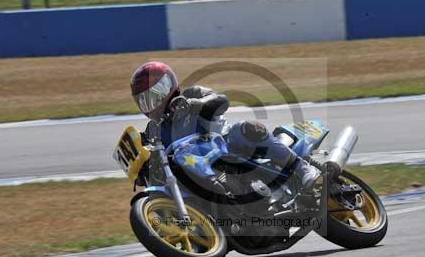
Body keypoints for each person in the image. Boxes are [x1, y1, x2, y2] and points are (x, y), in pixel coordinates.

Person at [130, 61, 320, 190]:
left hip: (225, 146)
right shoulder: (153, 130)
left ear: (166, 86)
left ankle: (301, 168)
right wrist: (141, 169)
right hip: (195, 171)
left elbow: (221, 100)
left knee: (246, 128)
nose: (151, 104)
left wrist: (200, 104)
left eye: (154, 96)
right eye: (145, 100)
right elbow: (150, 158)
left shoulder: (191, 95)